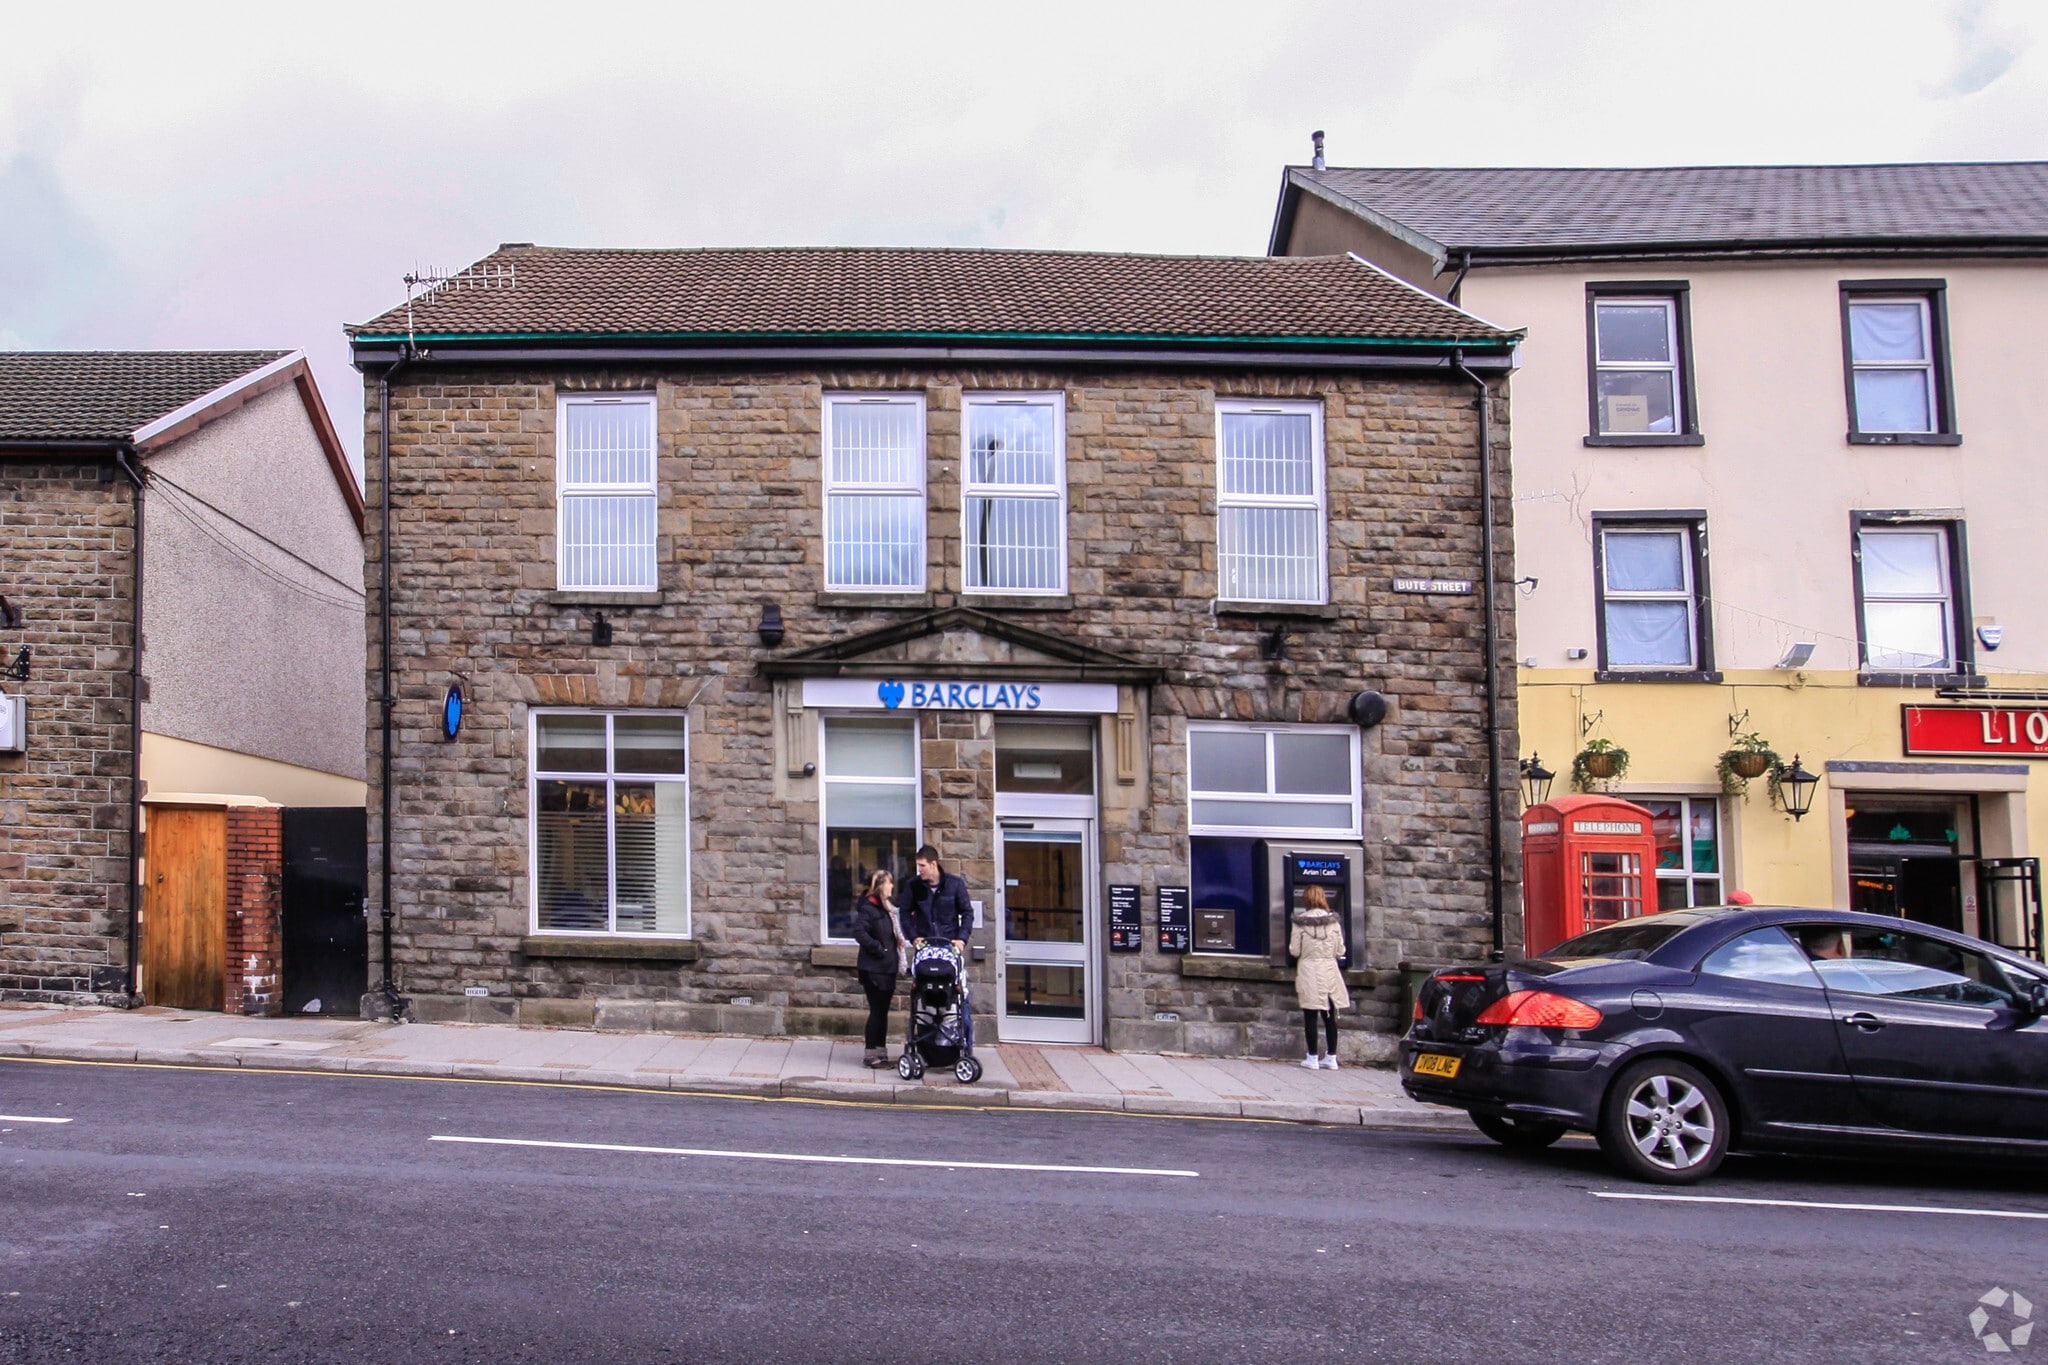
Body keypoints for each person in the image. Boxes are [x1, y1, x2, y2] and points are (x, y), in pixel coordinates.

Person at [900, 844, 975, 1051]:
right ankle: (926, 1047)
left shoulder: (955, 884)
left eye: (922, 866)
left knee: (959, 996)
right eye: (918, 866)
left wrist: (961, 939)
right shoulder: (913, 886)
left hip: (950, 949)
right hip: (926, 950)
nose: (919, 870)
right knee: (923, 998)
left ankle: (964, 1047)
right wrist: (913, 937)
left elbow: (967, 913)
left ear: (933, 864)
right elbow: (904, 914)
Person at [1290, 885, 1350, 1070]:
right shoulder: (1334, 923)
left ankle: (1312, 1057)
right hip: (1330, 970)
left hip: (1309, 970)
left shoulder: (1300, 922)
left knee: (1310, 1014)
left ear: (1306, 899)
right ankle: (1331, 1057)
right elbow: (1340, 951)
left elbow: (1295, 950)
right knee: (1330, 1015)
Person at [850, 869, 902, 1067]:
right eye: (889, 882)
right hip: (874, 969)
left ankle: (881, 1053)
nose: (892, 886)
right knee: (877, 1011)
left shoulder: (887, 908)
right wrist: (880, 949)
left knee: (882, 1012)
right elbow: (859, 932)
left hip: (887, 967)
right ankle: (871, 1055)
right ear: (879, 886)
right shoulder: (869, 908)